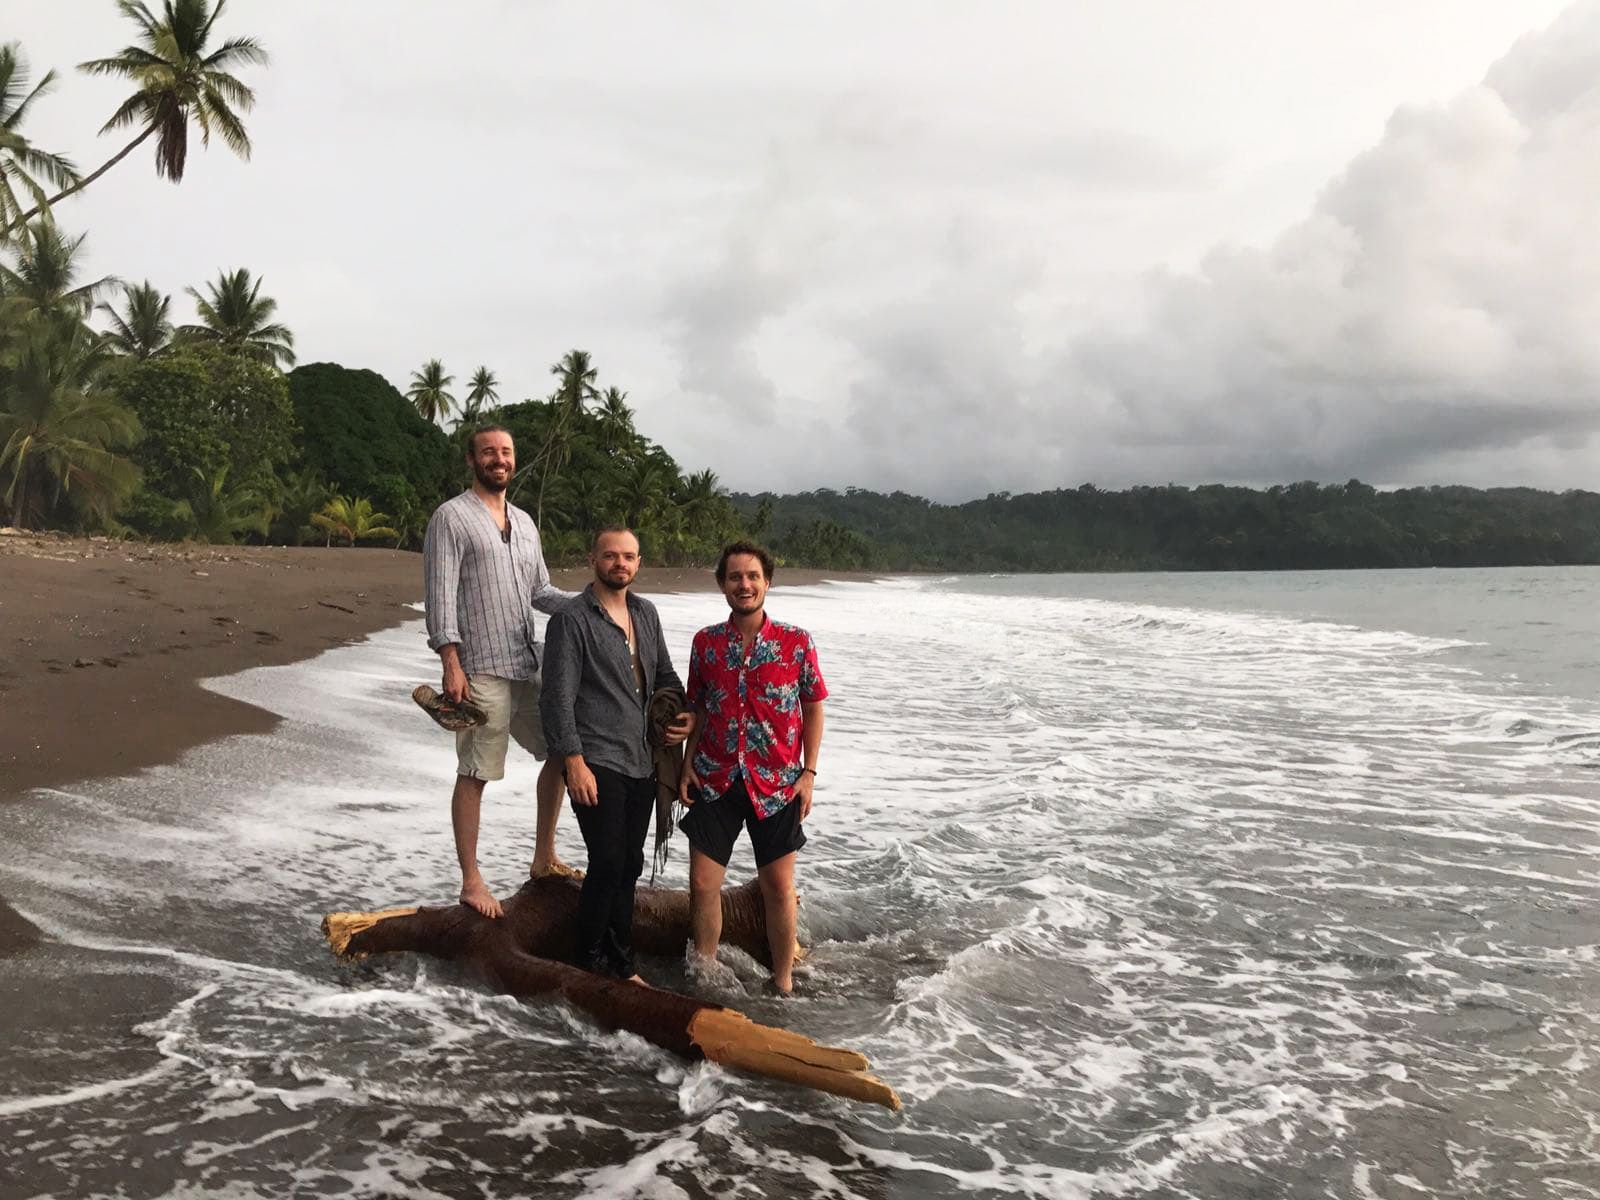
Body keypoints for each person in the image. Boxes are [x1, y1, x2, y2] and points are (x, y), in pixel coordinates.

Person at [422, 425, 576, 919]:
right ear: (472, 460)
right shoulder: (451, 518)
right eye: (489, 452)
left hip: (525, 661)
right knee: (476, 771)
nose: (499, 459)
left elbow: (542, 593)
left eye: (506, 452)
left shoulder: (526, 523)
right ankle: (471, 880)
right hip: (479, 666)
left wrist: (596, 604)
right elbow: (440, 595)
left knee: (560, 749)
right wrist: (450, 661)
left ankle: (543, 857)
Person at [540, 527, 693, 979]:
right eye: (611, 556)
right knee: (607, 861)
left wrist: (681, 713)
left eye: (628, 556)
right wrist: (573, 762)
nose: (619, 564)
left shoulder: (646, 613)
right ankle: (588, 962)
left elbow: (665, 675)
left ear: (638, 563)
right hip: (596, 759)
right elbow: (557, 698)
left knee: (628, 862)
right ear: (594, 559)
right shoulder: (571, 620)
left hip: (642, 759)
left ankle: (618, 957)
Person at [678, 541, 826, 995]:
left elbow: (814, 704)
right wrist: (686, 766)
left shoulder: (796, 642)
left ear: (767, 582)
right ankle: (703, 972)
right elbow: (697, 708)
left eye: (753, 576)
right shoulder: (706, 643)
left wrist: (809, 774)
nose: (744, 585)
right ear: (723, 584)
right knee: (703, 883)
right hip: (716, 775)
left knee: (778, 889)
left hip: (778, 782)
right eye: (735, 577)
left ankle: (782, 981)